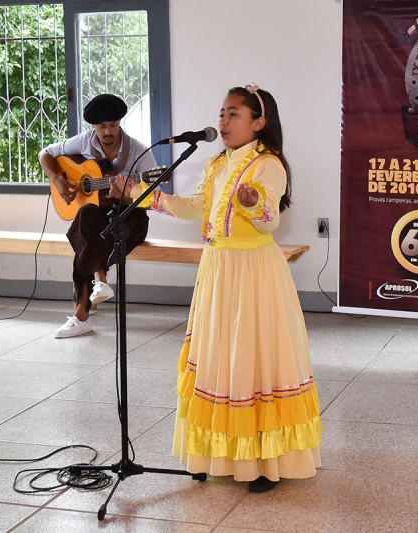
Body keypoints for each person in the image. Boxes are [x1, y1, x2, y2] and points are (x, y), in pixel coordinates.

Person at [111, 84, 321, 492]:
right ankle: (221, 456)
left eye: (233, 114)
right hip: (218, 266)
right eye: (222, 113)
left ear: (259, 123)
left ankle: (263, 462)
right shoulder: (215, 163)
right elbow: (192, 208)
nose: (223, 121)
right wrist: (138, 192)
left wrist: (251, 203)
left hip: (253, 269)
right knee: (221, 356)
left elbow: (269, 221)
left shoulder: (268, 165)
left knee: (252, 356)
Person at [39, 94, 157, 338]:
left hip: (130, 217)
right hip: (98, 218)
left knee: (86, 237)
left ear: (119, 123)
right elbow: (45, 154)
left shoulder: (138, 150)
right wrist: (57, 180)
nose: (108, 131)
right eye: (102, 126)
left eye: (113, 125)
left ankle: (83, 314)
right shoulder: (84, 142)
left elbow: (153, 198)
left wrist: (123, 196)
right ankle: (99, 279)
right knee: (85, 215)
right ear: (93, 126)